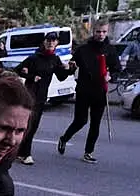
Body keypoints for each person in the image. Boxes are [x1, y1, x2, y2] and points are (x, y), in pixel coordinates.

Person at [57, 19, 121, 164]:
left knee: (95, 123)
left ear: (107, 31)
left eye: (104, 31)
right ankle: (64, 138)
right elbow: (72, 66)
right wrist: (68, 67)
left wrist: (111, 76)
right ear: (93, 31)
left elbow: (117, 69)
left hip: (100, 91)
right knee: (80, 120)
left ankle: (88, 152)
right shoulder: (83, 49)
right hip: (84, 90)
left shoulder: (110, 50)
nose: (101, 34)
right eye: (98, 31)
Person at [15, 32, 73, 165]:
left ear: (57, 43)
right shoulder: (34, 58)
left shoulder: (54, 59)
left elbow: (61, 76)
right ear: (44, 42)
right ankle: (25, 154)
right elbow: (17, 70)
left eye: (53, 41)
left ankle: (19, 151)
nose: (50, 43)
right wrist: (31, 77)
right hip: (30, 96)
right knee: (29, 125)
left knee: (32, 126)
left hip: (42, 97)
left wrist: (70, 69)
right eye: (48, 40)